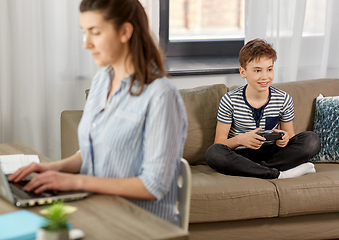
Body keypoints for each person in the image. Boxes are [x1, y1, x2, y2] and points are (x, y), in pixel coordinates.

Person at [8, 0, 188, 226]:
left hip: (138, 225)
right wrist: (52, 168)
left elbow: (153, 185)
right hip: (96, 210)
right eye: (84, 33)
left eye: (95, 32)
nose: (87, 44)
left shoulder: (161, 95)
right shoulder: (103, 80)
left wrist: (76, 182)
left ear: (124, 32)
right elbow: (96, 149)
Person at [205, 39, 320, 179]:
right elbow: (220, 142)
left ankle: (259, 170)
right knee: (214, 152)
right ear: (243, 72)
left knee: (312, 140)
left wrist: (283, 139)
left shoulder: (284, 99)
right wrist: (241, 139)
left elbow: (289, 134)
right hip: (241, 155)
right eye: (257, 70)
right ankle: (278, 173)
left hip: (273, 153)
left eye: (269, 69)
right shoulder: (229, 100)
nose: (265, 76)